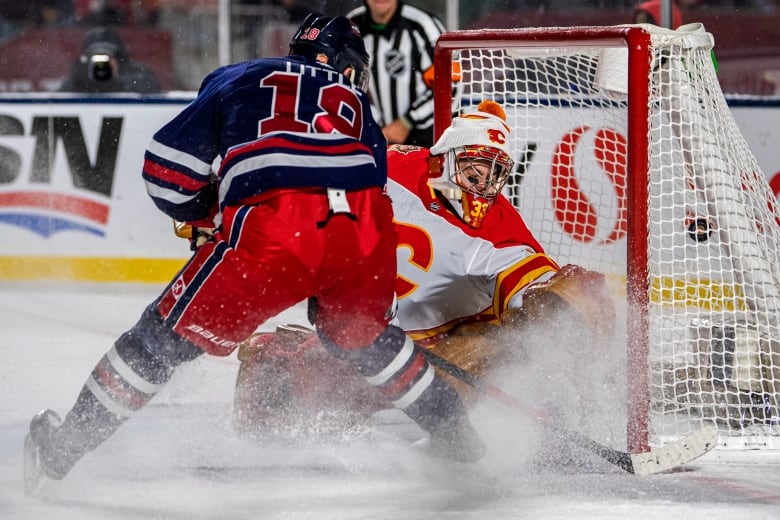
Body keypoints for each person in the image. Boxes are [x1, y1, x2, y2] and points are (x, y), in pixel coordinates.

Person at [23, 13, 484, 497]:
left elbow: (165, 172)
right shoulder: (358, 104)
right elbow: (373, 191)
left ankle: (61, 449)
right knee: (372, 344)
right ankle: (466, 446)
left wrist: (210, 214)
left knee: (156, 342)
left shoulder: (239, 77)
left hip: (275, 226)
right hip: (364, 232)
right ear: (347, 65)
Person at [232, 100, 615, 434]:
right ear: (444, 159)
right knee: (273, 368)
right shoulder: (392, 165)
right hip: (372, 341)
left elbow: (538, 290)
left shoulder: (499, 230)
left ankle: (461, 431)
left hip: (438, 349)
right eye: (474, 171)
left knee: (487, 352)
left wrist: (556, 300)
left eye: (495, 175)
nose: (483, 187)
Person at [348, 0, 445, 147]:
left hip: (425, 142)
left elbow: (450, 84)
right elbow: (343, 83)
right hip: (372, 142)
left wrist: (407, 122)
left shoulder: (423, 25)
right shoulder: (351, 27)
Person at [58, 26, 162, 94]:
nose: (101, 64)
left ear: (119, 58)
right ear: (86, 60)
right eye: (95, 57)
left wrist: (116, 82)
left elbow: (151, 89)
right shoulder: (80, 78)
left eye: (107, 57)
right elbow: (60, 100)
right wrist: (81, 80)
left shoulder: (138, 73)